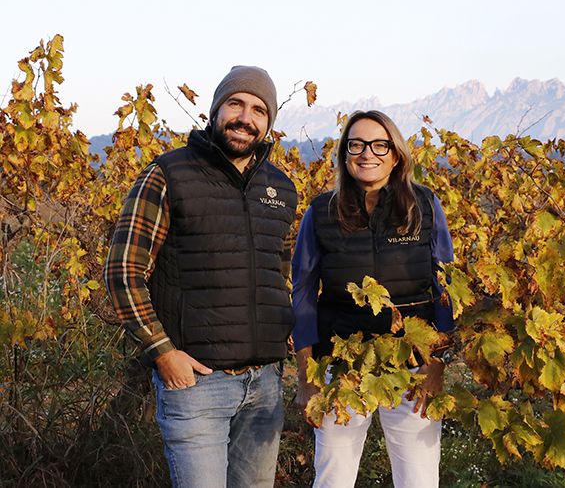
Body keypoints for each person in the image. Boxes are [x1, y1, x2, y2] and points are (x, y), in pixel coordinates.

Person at [103, 66, 297, 488]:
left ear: (268, 123)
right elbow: (122, 271)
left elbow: (278, 274)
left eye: (259, 110)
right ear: (216, 110)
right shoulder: (169, 174)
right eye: (236, 104)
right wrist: (163, 352)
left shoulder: (281, 187)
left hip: (264, 386)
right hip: (196, 385)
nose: (246, 117)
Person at [291, 110, 454, 488]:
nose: (368, 153)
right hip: (340, 365)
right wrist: (306, 375)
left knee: (419, 480)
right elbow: (302, 297)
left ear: (396, 154)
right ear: (345, 155)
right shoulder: (320, 212)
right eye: (357, 144)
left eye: (380, 144)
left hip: (414, 364)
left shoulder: (424, 206)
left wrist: (437, 364)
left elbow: (445, 286)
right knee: (333, 478)